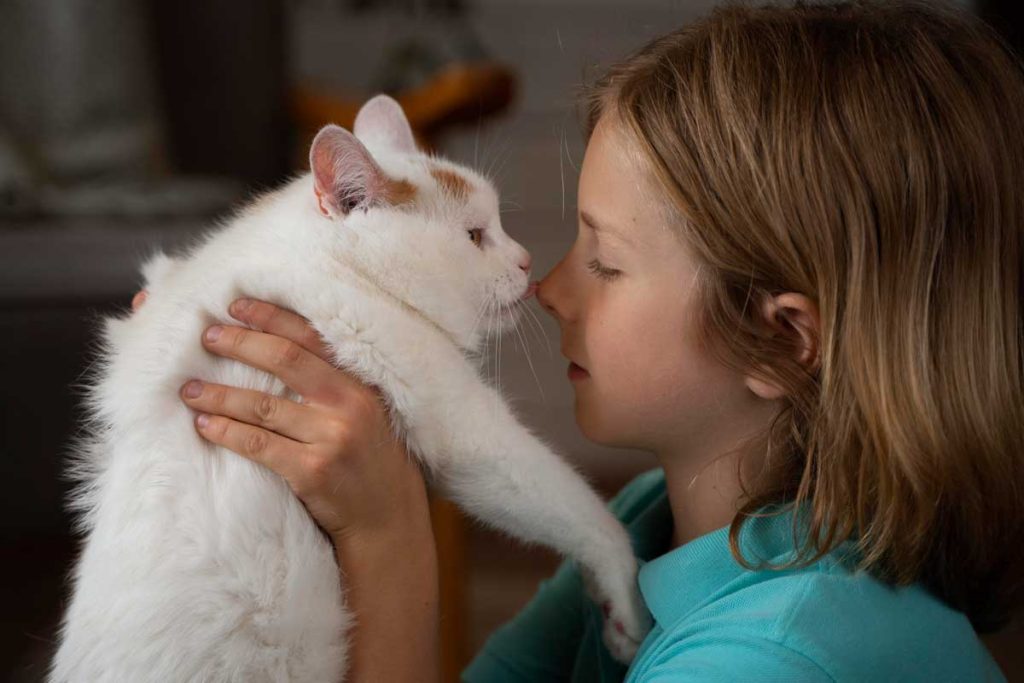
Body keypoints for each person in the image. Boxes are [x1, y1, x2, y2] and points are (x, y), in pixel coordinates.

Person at [133, 0, 1023, 679]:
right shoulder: (654, 521)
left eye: (605, 261)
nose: (550, 290)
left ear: (781, 339)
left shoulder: (770, 660)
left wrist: (390, 535)